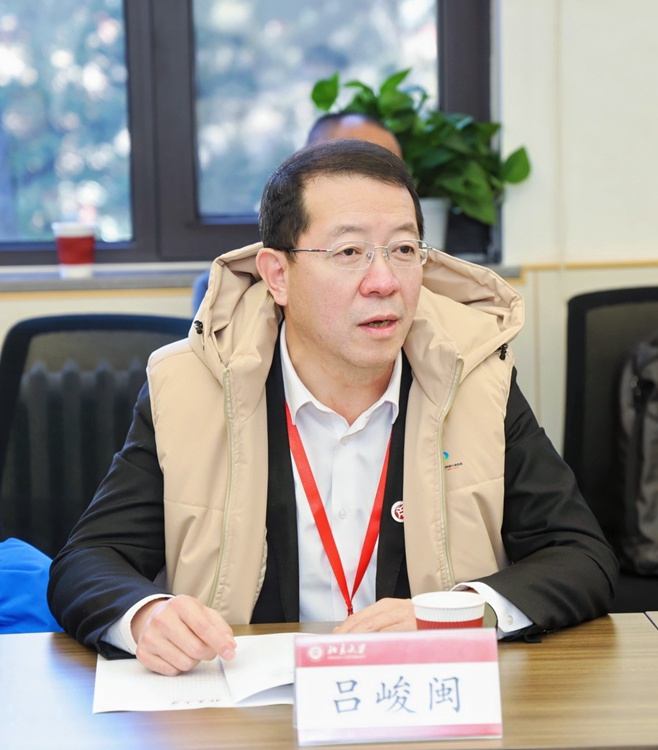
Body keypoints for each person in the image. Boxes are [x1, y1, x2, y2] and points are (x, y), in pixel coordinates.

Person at [48, 139, 618, 676]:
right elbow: (87, 560)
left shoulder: (473, 376)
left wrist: (455, 614)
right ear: (278, 275)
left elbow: (581, 556)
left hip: (423, 703)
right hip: (251, 709)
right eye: (349, 252)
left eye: (403, 250)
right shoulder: (191, 387)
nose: (384, 281)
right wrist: (146, 616)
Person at [190, 112, 402, 313]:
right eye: (348, 252)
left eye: (390, 171)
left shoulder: (411, 277)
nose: (383, 283)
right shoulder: (230, 294)